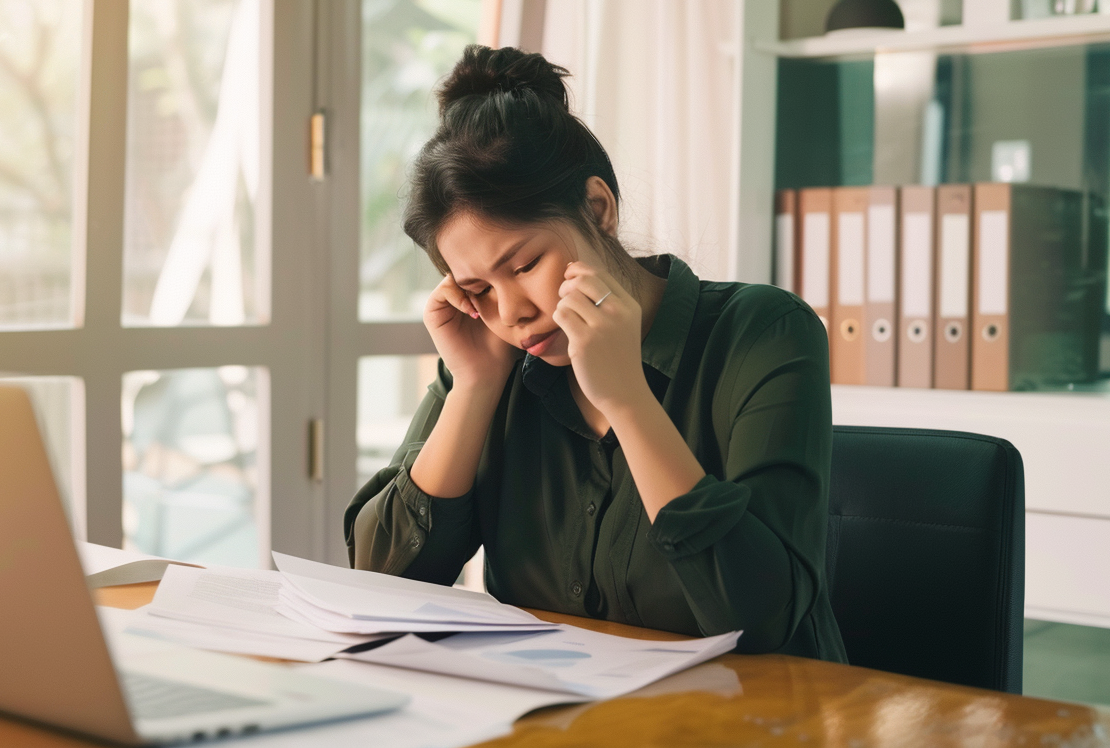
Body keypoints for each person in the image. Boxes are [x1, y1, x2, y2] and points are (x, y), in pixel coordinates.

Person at [345, 45, 846, 661]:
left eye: (525, 264)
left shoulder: (764, 331)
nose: (512, 313)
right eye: (478, 290)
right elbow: (377, 583)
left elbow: (761, 617)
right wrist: (473, 387)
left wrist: (628, 399)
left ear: (598, 209)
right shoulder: (492, 356)